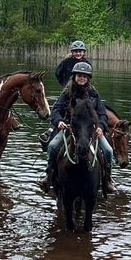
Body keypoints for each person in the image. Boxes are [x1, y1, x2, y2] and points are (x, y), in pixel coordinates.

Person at [45, 61, 114, 191]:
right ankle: (50, 174)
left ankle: (107, 179)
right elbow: (56, 110)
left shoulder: (93, 94)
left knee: (108, 151)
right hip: (70, 128)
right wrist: (59, 121)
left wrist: (102, 127)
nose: (81, 78)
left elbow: (102, 113)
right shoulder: (67, 93)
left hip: (90, 130)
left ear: (88, 78)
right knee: (53, 146)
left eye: (84, 76)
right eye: (79, 75)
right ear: (74, 76)